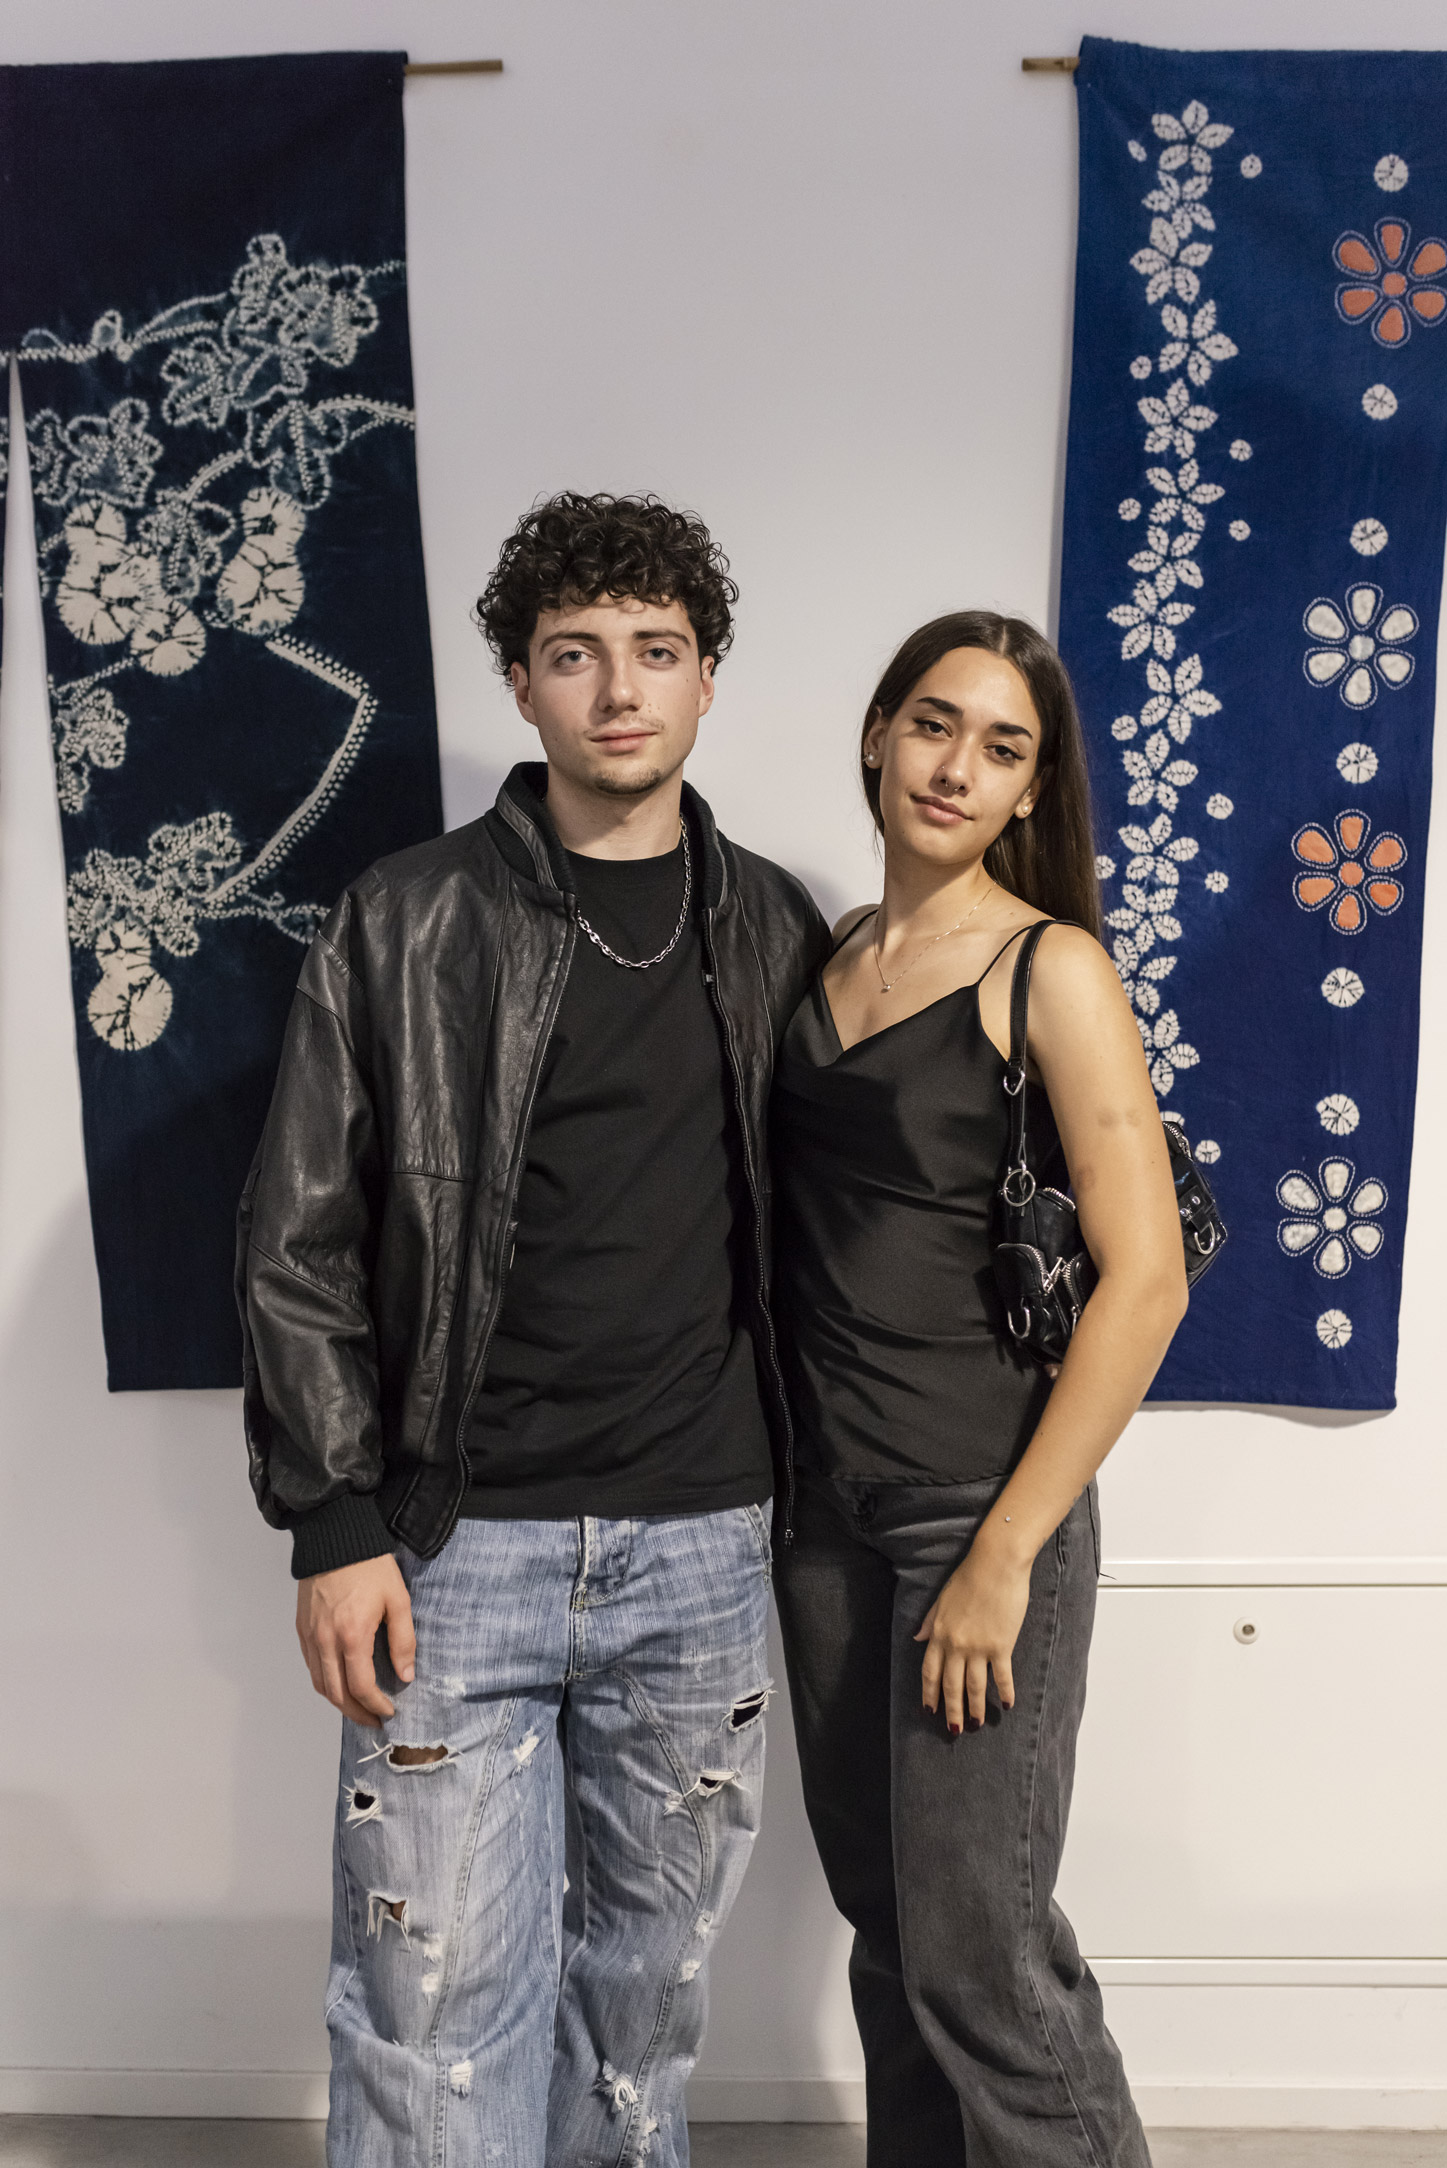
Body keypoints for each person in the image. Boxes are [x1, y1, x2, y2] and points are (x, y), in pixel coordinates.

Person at [238, 493, 830, 2167]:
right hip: (454, 1549)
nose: (619, 689)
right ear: (521, 681)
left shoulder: (776, 927)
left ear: (707, 677)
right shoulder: (405, 917)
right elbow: (296, 1234)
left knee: (643, 2022)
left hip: (703, 1545)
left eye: (657, 650)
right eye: (577, 654)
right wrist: (334, 1519)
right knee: (425, 2014)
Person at [770, 610, 1185, 2168]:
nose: (957, 765)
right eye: (935, 724)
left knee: (980, 1956)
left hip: (975, 1512)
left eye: (1003, 747)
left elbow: (1146, 1279)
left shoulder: (1049, 967)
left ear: (1032, 791)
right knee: (893, 1943)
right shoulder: (828, 956)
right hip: (823, 1516)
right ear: (879, 733)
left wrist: (1006, 1552)